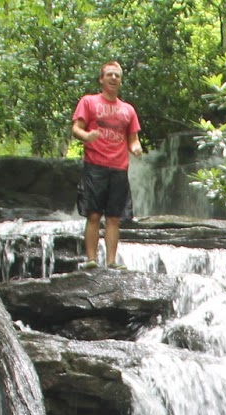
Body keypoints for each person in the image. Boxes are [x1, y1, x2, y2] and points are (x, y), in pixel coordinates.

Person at [71, 61, 143, 270]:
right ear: (101, 79)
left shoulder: (128, 110)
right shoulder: (89, 102)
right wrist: (87, 136)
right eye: (110, 74)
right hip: (95, 165)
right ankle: (91, 260)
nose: (113, 78)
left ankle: (111, 262)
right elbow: (76, 128)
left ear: (120, 81)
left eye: (117, 75)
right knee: (93, 214)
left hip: (119, 168)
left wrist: (136, 148)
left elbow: (133, 139)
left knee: (113, 217)